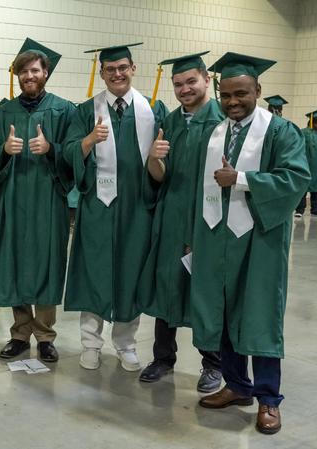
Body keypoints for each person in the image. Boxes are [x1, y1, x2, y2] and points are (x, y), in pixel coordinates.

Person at [192, 52, 310, 435]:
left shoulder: (281, 132)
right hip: (216, 237)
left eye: (241, 94)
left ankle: (268, 400)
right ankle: (237, 386)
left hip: (260, 238)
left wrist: (241, 179)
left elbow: (295, 179)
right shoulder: (215, 131)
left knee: (258, 315)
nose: (232, 102)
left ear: (258, 90)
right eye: (225, 95)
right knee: (224, 310)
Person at [62, 43, 168, 371]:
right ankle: (90, 343)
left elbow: (166, 163)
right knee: (94, 271)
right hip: (97, 207)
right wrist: (88, 141)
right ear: (102, 73)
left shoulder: (154, 109)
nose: (117, 74)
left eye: (123, 67)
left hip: (137, 208)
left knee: (130, 274)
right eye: (110, 69)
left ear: (133, 68)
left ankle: (125, 344)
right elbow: (66, 154)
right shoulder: (85, 110)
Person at [0, 38, 75, 363]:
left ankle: (46, 335)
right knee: (16, 261)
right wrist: (3, 152)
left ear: (45, 73)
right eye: (23, 72)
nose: (29, 76)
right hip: (13, 199)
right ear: (18, 76)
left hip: (49, 200)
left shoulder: (65, 110)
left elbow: (76, 154)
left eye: (34, 70)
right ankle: (20, 333)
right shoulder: (3, 112)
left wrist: (52, 150)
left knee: (47, 262)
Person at [135, 52, 223, 392]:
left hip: (207, 218)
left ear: (207, 80)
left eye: (191, 82)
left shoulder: (221, 121)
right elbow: (160, 176)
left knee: (205, 291)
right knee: (167, 284)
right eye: (178, 84)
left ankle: (213, 364)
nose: (184, 89)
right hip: (171, 216)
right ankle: (162, 357)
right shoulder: (170, 121)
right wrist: (153, 160)